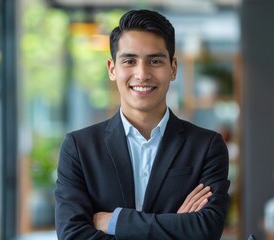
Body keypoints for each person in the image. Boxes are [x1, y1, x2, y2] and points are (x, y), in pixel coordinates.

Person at [54, 9, 230, 240]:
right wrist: (176, 226)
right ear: (112, 69)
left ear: (173, 68)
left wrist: (115, 221)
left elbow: (206, 230)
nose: (142, 74)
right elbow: (72, 235)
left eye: (155, 61)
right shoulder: (78, 148)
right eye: (129, 61)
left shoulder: (206, 146)